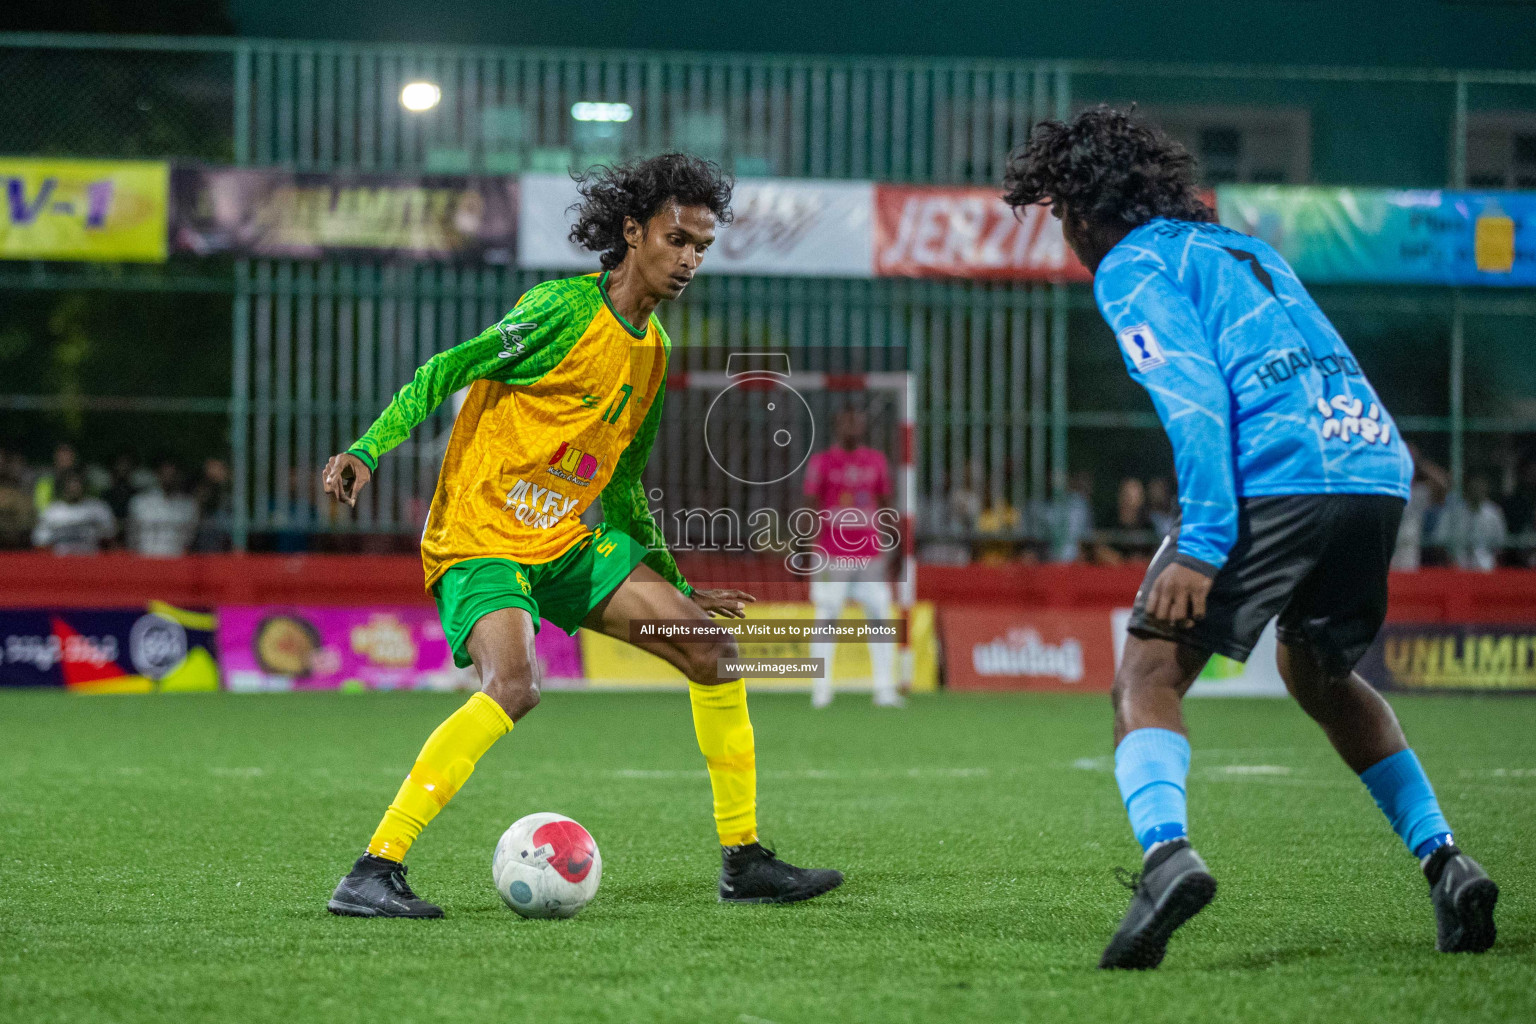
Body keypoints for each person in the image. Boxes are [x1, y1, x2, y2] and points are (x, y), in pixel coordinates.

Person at [1002, 107, 1498, 969]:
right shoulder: (1247, 250)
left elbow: (1193, 398)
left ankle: (1166, 858)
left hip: (1280, 475)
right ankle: (1448, 862)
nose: (1065, 236)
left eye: (1058, 216)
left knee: (1148, 674)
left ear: (1084, 207)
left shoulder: (1133, 264)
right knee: (1320, 671)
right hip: (1375, 469)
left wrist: (1202, 541)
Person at [320, 154, 842, 918]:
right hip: (481, 533)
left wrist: (681, 586)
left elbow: (623, 483)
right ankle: (373, 869)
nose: (691, 258)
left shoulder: (653, 351)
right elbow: (444, 369)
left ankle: (745, 859)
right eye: (676, 239)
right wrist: (366, 449)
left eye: (703, 244)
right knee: (515, 685)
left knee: (709, 647)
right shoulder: (561, 311)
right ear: (632, 232)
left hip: (562, 538)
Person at [801, 405, 902, 708]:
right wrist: (805, 548)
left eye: (857, 421)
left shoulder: (876, 461)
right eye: (847, 421)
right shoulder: (822, 462)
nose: (852, 427)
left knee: (880, 615)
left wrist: (893, 546)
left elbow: (886, 505)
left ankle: (885, 688)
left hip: (869, 553)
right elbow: (808, 506)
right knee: (826, 616)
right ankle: (821, 689)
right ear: (836, 427)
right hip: (831, 553)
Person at [126, 459, 200, 558]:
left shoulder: (189, 505)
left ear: (178, 475)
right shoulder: (139, 502)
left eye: (172, 474)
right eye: (164, 473)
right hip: (145, 559)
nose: (168, 477)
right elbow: (132, 535)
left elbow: (190, 537)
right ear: (157, 474)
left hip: (176, 561)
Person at [31, 470, 115, 555]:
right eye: (70, 483)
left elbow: (110, 539)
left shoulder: (98, 508)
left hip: (91, 562)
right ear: (63, 486)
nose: (74, 487)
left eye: (77, 483)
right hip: (60, 564)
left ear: (84, 485)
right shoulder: (51, 512)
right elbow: (41, 543)